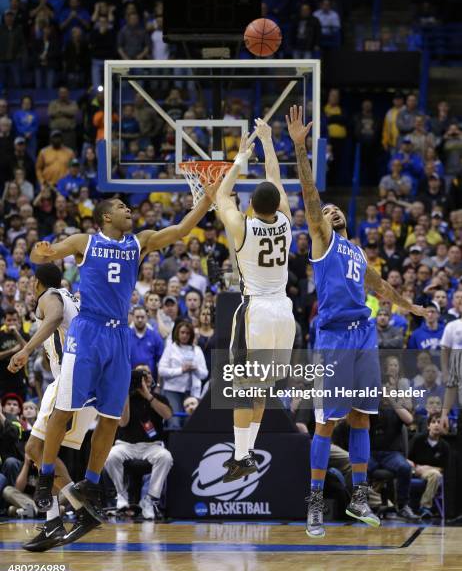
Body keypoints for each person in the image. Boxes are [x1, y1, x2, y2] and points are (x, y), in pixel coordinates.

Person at [30, 191, 216, 531]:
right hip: (87, 332)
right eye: (120, 207)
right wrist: (40, 251)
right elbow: (47, 254)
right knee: (64, 411)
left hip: (118, 336)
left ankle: (89, 482)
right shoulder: (85, 241)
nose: (128, 210)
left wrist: (206, 202)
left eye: (128, 206)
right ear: (104, 217)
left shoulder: (138, 242)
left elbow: (180, 230)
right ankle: (44, 478)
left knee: (111, 420)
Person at [285, 105, 428, 538]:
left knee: (363, 417)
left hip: (364, 335)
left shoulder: (358, 251)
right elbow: (310, 196)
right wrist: (300, 149)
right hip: (332, 337)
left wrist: (410, 306)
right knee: (327, 422)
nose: (329, 211)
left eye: (333, 210)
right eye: (324, 212)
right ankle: (313, 503)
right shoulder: (323, 241)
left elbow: (381, 286)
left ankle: (360, 497)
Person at [215, 119, 296, 483]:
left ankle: (240, 454)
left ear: (250, 204)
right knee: (261, 388)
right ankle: (246, 455)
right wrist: (267, 142)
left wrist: (240, 157)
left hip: (258, 311)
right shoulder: (287, 220)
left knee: (241, 387)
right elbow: (274, 177)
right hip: (285, 313)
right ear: (277, 204)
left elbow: (219, 196)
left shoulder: (242, 226)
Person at [8, 264, 98, 551]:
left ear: (36, 283)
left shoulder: (48, 296)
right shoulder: (71, 296)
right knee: (40, 450)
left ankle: (67, 517)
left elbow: (55, 316)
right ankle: (64, 517)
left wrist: (25, 349)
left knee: (34, 449)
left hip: (71, 380)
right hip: (88, 383)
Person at [104, 368, 173, 520]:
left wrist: (147, 395)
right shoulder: (125, 397)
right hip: (126, 445)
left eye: (146, 373)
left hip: (152, 445)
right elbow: (123, 422)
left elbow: (167, 415)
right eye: (139, 375)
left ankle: (149, 500)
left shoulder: (158, 397)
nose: (144, 377)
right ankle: (121, 495)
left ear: (151, 378)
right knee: (110, 455)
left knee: (166, 457)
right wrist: (126, 393)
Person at [158, 321, 208, 429]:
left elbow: (204, 374)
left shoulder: (197, 350)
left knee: (191, 424)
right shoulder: (170, 348)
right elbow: (161, 370)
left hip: (192, 392)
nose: (185, 335)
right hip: (173, 391)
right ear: (177, 333)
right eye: (182, 332)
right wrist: (181, 370)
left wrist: (195, 369)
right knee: (174, 422)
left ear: (191, 335)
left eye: (188, 333)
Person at [408, 413, 449, 518]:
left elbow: (443, 468)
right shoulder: (418, 439)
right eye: (433, 422)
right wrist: (414, 468)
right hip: (413, 470)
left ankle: (425, 507)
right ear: (428, 426)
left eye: (439, 422)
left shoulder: (444, 446)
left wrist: (427, 468)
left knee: (436, 475)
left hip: (430, 473)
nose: (436, 425)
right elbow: (406, 458)